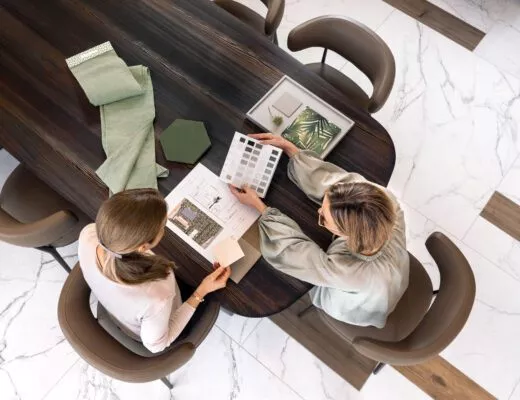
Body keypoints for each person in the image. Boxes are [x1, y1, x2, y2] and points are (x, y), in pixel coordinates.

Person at [230, 134, 409, 328]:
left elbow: (291, 253)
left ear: (347, 234)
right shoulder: (384, 200)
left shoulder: (348, 271)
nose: (318, 212)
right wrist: (291, 150)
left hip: (365, 299)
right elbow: (334, 182)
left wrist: (260, 207)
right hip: (394, 273)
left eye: (324, 218)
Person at [78, 188, 230, 353]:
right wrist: (200, 292)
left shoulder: (89, 234)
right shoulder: (157, 292)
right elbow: (157, 346)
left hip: (119, 310)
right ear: (143, 247)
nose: (164, 227)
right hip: (148, 329)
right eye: (163, 226)